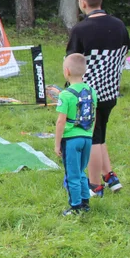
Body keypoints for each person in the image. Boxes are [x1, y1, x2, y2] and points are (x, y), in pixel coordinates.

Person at [66, 0, 130, 195]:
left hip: (88, 94)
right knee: (100, 134)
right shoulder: (119, 25)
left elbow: (72, 62)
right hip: (111, 91)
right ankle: (110, 176)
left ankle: (94, 185)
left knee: (91, 138)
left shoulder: (81, 29)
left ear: (83, 3)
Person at [55, 53, 96, 216]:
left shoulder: (65, 95)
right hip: (87, 137)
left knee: (72, 174)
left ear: (67, 71)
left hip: (71, 139)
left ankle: (75, 206)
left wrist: (57, 143)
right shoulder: (92, 91)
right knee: (81, 171)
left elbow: (60, 121)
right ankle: (85, 202)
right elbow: (94, 114)